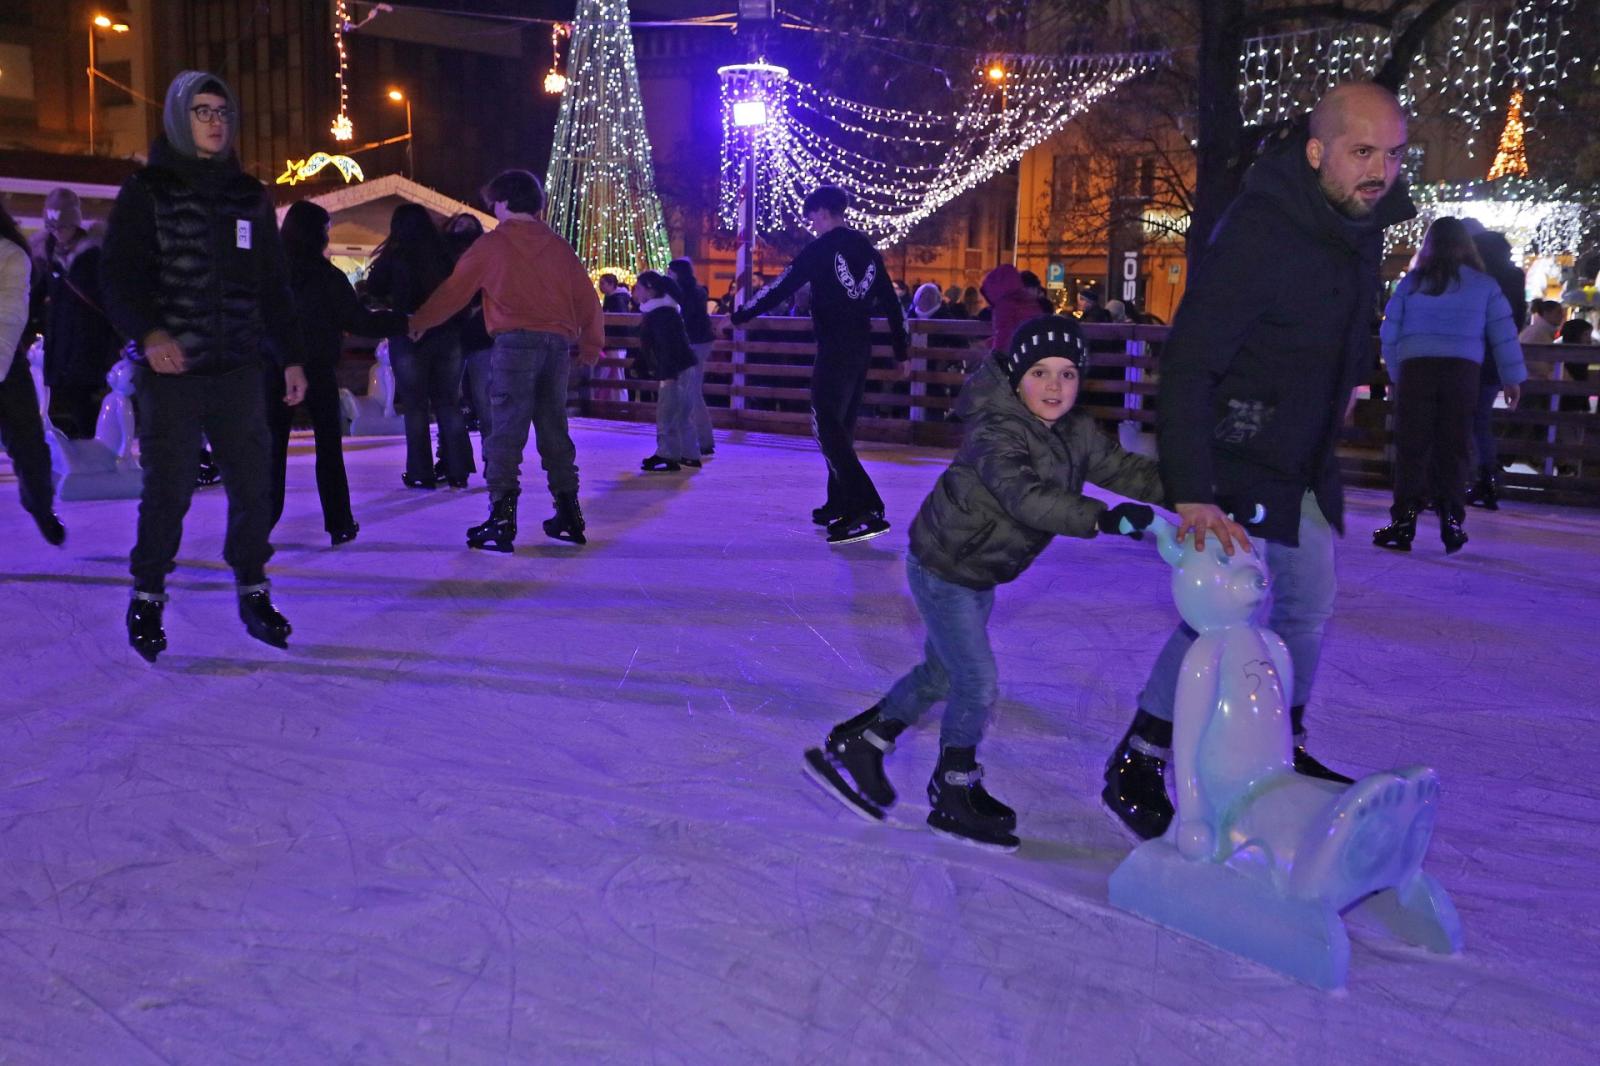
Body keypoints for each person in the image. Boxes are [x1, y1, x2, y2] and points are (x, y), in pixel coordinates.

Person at [1102, 82, 1418, 840]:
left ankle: (1283, 743)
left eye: (1395, 154)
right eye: (1363, 152)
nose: (1381, 171)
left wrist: (1346, 384)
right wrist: (1194, 493)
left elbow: (1339, 325)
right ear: (1317, 152)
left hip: (1300, 456)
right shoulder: (1261, 234)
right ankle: (1141, 757)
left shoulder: (1356, 226)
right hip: (1238, 452)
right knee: (1221, 616)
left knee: (1308, 604)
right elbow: (1189, 365)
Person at [803, 316, 1164, 850]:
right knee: (976, 682)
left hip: (980, 570)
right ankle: (953, 788)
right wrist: (1101, 518)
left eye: (1067, 374)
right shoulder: (996, 429)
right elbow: (1025, 497)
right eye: (1040, 372)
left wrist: (1199, 494)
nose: (1054, 387)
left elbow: (1130, 471)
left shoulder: (1076, 432)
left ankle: (864, 742)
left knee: (942, 673)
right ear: (1017, 375)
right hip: (943, 566)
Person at [100, 70, 307, 662]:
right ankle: (148, 593)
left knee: (255, 487)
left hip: (238, 367)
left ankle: (253, 587)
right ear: (178, 117)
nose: (216, 122)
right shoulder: (148, 190)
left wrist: (290, 355)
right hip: (172, 372)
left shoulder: (249, 195)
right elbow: (116, 275)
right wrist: (149, 332)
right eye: (202, 111)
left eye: (222, 111)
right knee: (168, 490)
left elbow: (273, 284)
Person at [407, 169, 603, 553]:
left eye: (493, 201)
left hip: (515, 344)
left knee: (505, 430)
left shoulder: (493, 245)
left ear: (503, 201)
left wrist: (419, 322)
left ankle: (501, 517)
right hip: (556, 346)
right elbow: (587, 300)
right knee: (553, 427)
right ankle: (569, 511)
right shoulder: (559, 246)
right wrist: (592, 344)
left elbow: (454, 291)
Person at [728, 184, 908, 545]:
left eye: (811, 216)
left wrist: (742, 313)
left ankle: (865, 506)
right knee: (841, 426)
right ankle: (839, 500)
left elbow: (782, 284)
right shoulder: (868, 251)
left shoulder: (822, 248)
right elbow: (892, 304)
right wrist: (901, 351)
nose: (810, 223)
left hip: (836, 349)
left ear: (824, 212)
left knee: (827, 426)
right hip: (860, 349)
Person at [1372, 216, 1525, 554]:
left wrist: (1399, 374)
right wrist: (1511, 377)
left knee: (1413, 447)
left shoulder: (1411, 284)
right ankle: (1451, 520)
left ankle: (1405, 519)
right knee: (1454, 446)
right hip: (1462, 372)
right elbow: (1503, 333)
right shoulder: (1484, 285)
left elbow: (1390, 334)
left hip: (1417, 370)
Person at [276, 200, 406, 544]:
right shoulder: (327, 277)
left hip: (274, 369)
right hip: (317, 368)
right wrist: (402, 320)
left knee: (272, 450)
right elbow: (357, 320)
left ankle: (261, 522)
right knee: (329, 448)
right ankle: (339, 521)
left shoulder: (272, 273)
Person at [365, 203, 472, 490]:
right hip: (448, 333)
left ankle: (420, 471)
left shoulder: (395, 256)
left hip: (408, 333)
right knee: (448, 402)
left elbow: (373, 288)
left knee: (415, 406)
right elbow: (464, 292)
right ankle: (458, 468)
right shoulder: (446, 255)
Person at [31, 188, 122, 438]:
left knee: (87, 414)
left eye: (63, 227)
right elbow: (32, 300)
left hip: (90, 350)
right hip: (60, 351)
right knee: (62, 414)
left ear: (75, 223)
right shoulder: (46, 256)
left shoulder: (95, 255)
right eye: (52, 227)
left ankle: (94, 464)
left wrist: (119, 342)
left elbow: (111, 302)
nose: (58, 233)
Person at [0, 200, 64, 545]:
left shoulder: (10, 255)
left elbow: (8, 318)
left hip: (6, 363)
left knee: (29, 448)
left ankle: (39, 504)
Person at [1462, 225, 1527, 509]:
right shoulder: (1513, 277)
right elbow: (1513, 324)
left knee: (1455, 419)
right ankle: (1487, 481)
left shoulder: (1472, 276)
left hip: (1464, 355)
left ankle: (1455, 481)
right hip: (1493, 360)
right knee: (1480, 421)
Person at [633, 271, 701, 472]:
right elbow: (652, 345)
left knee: (667, 412)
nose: (635, 292)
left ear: (650, 289)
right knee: (680, 412)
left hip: (674, 369)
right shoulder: (662, 312)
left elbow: (666, 346)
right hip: (682, 366)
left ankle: (669, 454)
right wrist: (640, 365)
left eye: (638, 287)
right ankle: (688, 454)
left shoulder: (661, 314)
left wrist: (668, 375)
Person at [443, 212, 493, 466]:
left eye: (468, 226)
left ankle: (490, 454)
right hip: (452, 334)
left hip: (480, 335)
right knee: (450, 396)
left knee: (484, 397)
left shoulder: (485, 257)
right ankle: (453, 457)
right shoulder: (442, 257)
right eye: (460, 225)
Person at [667, 257, 716, 457]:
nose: (668, 275)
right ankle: (697, 439)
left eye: (671, 272)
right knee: (689, 391)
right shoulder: (696, 291)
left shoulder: (687, 294)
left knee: (692, 391)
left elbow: (685, 318)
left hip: (694, 344)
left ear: (678, 273)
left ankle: (703, 439)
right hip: (698, 342)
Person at [979, 264, 1050, 359]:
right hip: (1034, 351)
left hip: (1016, 356)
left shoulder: (1005, 305)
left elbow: (1004, 334)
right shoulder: (1029, 301)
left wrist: (995, 353)